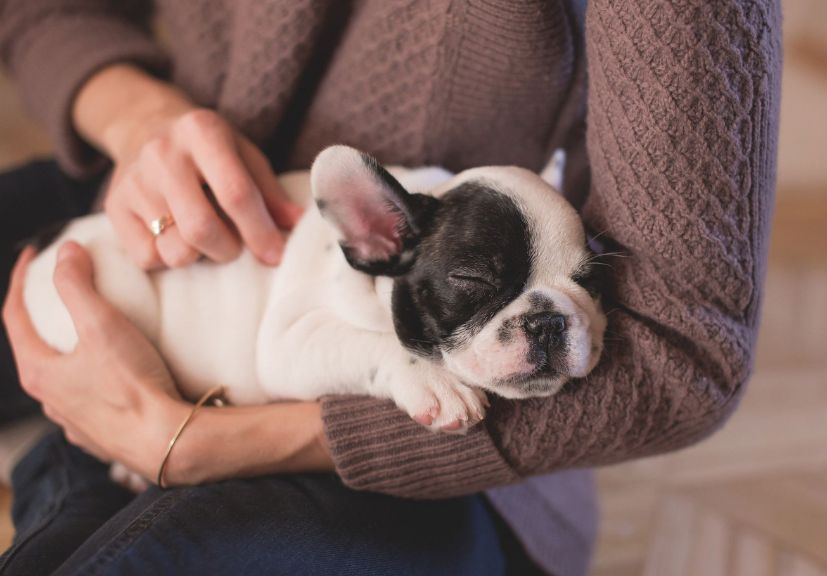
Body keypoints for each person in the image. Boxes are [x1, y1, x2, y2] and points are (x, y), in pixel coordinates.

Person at [0, 0, 781, 574]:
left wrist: (195, 445)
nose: (547, 321)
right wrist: (139, 119)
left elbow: (684, 355)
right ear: (373, 238)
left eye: (581, 287)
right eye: (482, 289)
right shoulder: (390, 236)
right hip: (155, 216)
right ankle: (72, 464)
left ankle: (67, 471)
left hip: (426, 466)